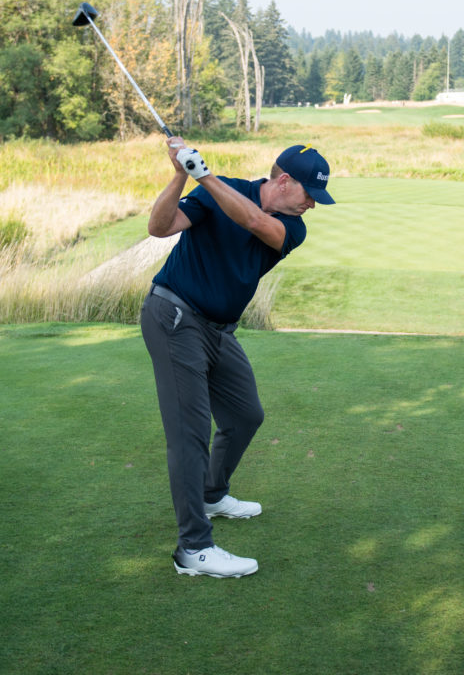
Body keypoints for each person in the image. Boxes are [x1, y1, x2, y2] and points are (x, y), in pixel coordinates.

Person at [140, 137, 334, 578]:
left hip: (218, 330)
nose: (312, 205)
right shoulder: (216, 190)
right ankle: (193, 548)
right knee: (189, 434)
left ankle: (212, 494)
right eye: (309, 194)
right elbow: (159, 227)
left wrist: (204, 176)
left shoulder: (292, 229)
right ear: (284, 181)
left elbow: (252, 220)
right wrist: (180, 175)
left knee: (246, 415)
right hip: (173, 316)